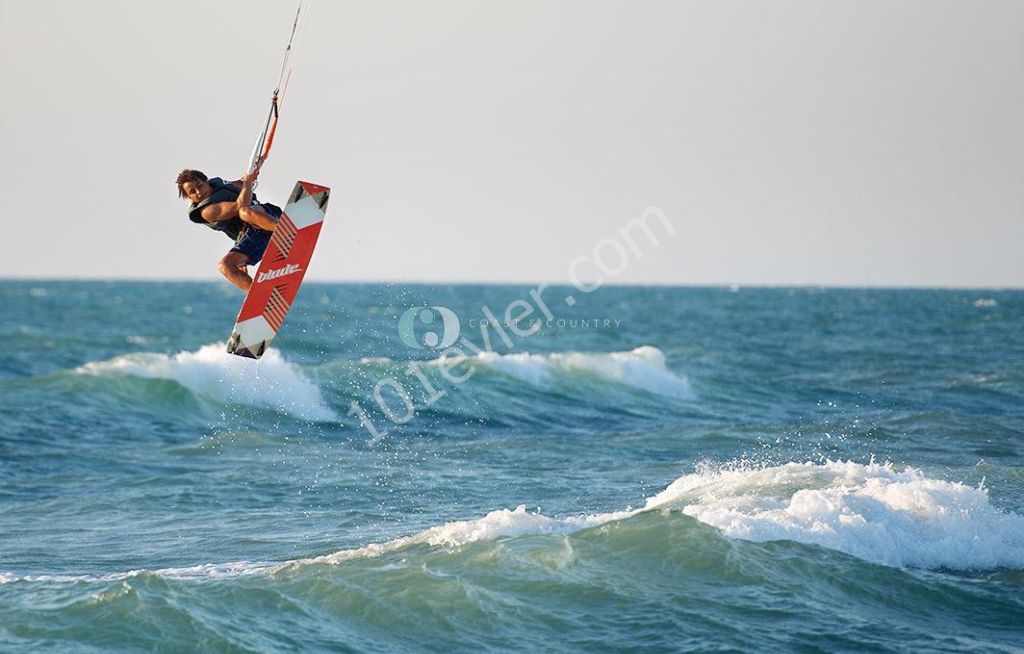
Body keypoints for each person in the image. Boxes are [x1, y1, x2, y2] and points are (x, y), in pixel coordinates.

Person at [176, 160, 283, 291]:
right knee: (225, 266)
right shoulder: (207, 211)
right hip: (254, 237)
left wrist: (254, 167)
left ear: (207, 182)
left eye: (200, 185)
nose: (199, 192)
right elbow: (239, 205)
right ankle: (260, 296)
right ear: (188, 198)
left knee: (245, 212)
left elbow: (244, 182)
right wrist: (248, 180)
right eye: (192, 191)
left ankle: (287, 231)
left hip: (268, 217)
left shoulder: (223, 186)